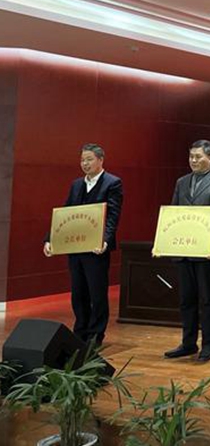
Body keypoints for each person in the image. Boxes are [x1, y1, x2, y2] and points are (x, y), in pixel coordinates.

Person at [43, 143, 123, 345]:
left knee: (97, 293)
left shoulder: (112, 183)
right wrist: (50, 239)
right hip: (76, 247)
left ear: (100, 160)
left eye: (89, 159)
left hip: (97, 248)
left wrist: (105, 240)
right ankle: (80, 332)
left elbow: (113, 216)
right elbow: (65, 213)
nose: (85, 164)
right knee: (78, 293)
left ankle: (96, 335)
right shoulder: (76, 184)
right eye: (82, 160)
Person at [163, 140, 210, 362]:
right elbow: (173, 212)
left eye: (198, 156)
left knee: (207, 300)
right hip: (183, 247)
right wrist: (165, 241)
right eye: (191, 156)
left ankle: (208, 345)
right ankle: (188, 343)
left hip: (204, 249)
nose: (193, 160)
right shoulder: (181, 182)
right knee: (186, 299)